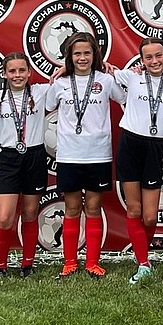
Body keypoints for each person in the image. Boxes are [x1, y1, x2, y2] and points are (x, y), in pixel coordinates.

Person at [46, 32, 124, 280]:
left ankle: (92, 262)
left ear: (95, 55)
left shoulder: (105, 80)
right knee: (71, 209)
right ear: (69, 56)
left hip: (98, 154)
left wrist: (116, 73)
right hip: (69, 154)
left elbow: (125, 97)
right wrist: (55, 75)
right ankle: (69, 262)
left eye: (87, 53)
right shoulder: (60, 83)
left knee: (93, 208)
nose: (82, 58)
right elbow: (45, 106)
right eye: (77, 53)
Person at [112, 38, 163, 284]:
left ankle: (143, 254)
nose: (154, 61)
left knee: (150, 216)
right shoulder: (131, 77)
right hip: (129, 143)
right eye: (148, 57)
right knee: (134, 209)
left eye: (158, 56)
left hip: (154, 146)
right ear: (141, 60)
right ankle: (143, 263)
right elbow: (101, 69)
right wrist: (66, 68)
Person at [0, 52, 50, 278]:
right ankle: (0, 266)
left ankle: (27, 264)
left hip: (35, 156)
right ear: (4, 73)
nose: (17, 75)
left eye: (22, 70)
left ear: (29, 72)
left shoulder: (40, 92)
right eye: (12, 71)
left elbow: (67, 77)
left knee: (30, 212)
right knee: (5, 216)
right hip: (9, 157)